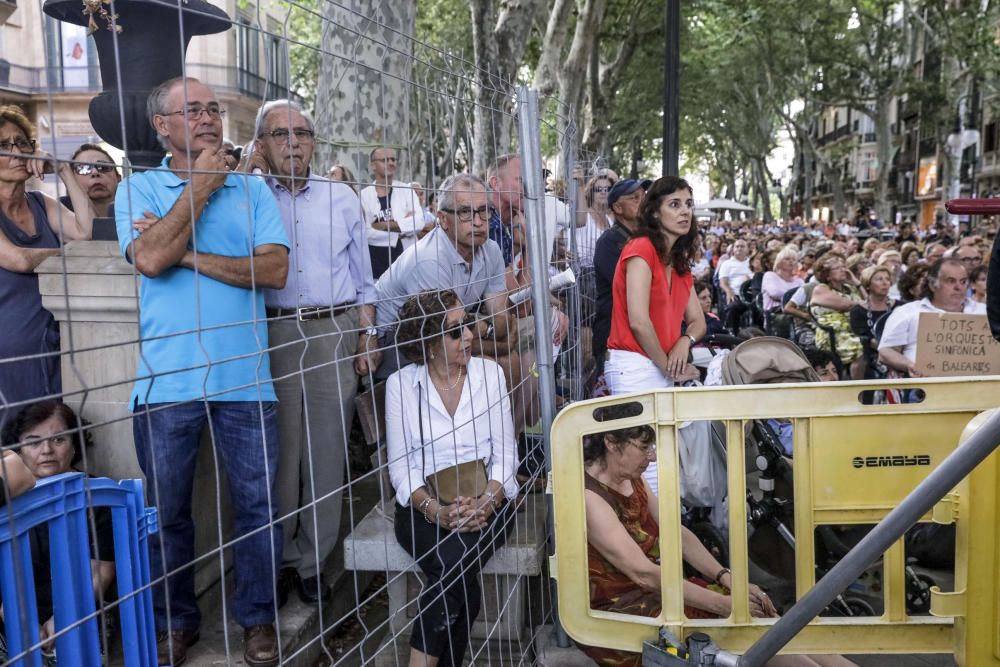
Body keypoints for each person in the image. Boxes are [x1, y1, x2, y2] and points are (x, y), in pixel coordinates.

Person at [115, 77, 290, 667]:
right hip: (167, 381)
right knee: (166, 514)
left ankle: (259, 620)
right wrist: (203, 188)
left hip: (247, 378)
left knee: (258, 507)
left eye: (213, 108)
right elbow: (148, 258)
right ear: (161, 127)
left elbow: (274, 271)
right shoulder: (137, 188)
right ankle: (173, 624)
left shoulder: (254, 189)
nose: (210, 118)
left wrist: (185, 253)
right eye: (192, 110)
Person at [579, 406, 857, 667]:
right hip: (624, 613)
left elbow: (679, 534)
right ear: (611, 443)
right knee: (751, 631)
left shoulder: (629, 477)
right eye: (643, 447)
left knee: (765, 618)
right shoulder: (590, 497)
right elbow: (643, 574)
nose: (651, 456)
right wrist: (726, 604)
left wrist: (727, 578)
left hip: (658, 593)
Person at [247, 99, 379, 606]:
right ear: (262, 145)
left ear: (314, 143)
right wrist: (244, 171)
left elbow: (366, 281)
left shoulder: (341, 198)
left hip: (334, 330)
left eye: (301, 133)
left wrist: (366, 337)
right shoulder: (250, 195)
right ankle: (277, 560)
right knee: (278, 456)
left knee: (325, 454)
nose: (293, 143)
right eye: (280, 135)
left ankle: (312, 562)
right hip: (272, 332)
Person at [384, 289, 518, 667]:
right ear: (428, 345)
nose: (470, 335)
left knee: (450, 567)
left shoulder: (489, 374)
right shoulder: (401, 386)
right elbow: (401, 468)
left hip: (489, 499)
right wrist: (434, 511)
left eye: (468, 324)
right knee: (456, 569)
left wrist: (485, 504)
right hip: (423, 504)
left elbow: (506, 458)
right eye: (455, 331)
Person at [604, 176, 706, 494]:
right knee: (644, 469)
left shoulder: (679, 262)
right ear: (654, 212)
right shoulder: (640, 248)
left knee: (663, 468)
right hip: (634, 363)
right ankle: (646, 540)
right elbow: (638, 321)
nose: (684, 212)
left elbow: (698, 323)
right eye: (674, 204)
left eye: (688, 204)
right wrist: (668, 365)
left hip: (658, 363)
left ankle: (662, 538)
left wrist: (683, 342)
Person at [0, 105, 95, 431]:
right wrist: (67, 254)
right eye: (4, 146)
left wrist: (64, 170)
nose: (17, 153)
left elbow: (87, 233)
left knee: (53, 441)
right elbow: (19, 260)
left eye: (21, 143)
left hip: (52, 349)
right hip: (7, 358)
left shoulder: (41, 203)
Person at [0, 401, 115, 661]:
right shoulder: (6, 499)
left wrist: (60, 620)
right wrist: (23, 624)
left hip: (79, 610)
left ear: (75, 444)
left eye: (59, 440)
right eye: (33, 442)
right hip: (11, 613)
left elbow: (101, 571)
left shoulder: (98, 495)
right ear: (16, 449)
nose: (47, 451)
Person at [879, 258, 985, 378]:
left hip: (981, 386)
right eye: (950, 281)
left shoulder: (984, 312)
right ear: (932, 284)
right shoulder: (907, 313)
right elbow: (885, 352)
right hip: (925, 387)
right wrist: (910, 365)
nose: (958, 287)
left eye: (963, 281)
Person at [592, 178, 643, 370]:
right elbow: (629, 287)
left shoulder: (643, 239)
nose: (643, 202)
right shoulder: (609, 242)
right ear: (618, 208)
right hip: (614, 338)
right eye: (634, 198)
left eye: (644, 197)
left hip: (636, 336)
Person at [359, 146, 422, 280]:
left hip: (406, 256)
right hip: (377, 261)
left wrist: (382, 225)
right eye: (385, 160)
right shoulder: (364, 196)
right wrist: (400, 232)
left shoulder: (406, 190)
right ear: (373, 165)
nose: (391, 163)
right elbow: (366, 232)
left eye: (393, 159)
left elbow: (419, 222)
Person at [810, 253, 865, 377]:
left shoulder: (849, 288)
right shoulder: (821, 289)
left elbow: (869, 305)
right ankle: (856, 390)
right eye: (837, 268)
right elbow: (846, 305)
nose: (843, 270)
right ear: (827, 275)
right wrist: (864, 304)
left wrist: (856, 283)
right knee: (861, 350)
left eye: (844, 267)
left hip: (853, 330)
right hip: (832, 334)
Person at [60, 143, 120, 218]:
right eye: (83, 168)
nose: (95, 172)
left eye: (103, 166)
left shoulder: (136, 208)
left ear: (118, 177)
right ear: (73, 181)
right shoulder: (58, 212)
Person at [761, 245, 803, 313]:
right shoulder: (770, 276)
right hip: (775, 314)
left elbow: (805, 296)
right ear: (779, 262)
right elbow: (775, 293)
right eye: (787, 259)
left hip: (796, 312)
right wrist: (797, 297)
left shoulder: (799, 280)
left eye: (793, 259)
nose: (791, 261)